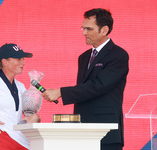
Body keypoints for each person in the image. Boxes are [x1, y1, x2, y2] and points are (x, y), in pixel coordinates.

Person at [42, 8, 129, 150]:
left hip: (106, 131)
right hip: (82, 131)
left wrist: (61, 92)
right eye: (83, 28)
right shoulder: (83, 57)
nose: (84, 33)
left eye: (89, 29)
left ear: (104, 30)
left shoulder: (118, 55)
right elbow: (85, 90)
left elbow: (98, 86)